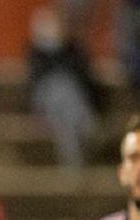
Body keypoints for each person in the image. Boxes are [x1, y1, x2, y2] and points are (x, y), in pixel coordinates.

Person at [28, 4, 103, 168]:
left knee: (68, 93)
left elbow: (86, 81)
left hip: (74, 102)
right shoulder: (37, 55)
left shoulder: (74, 50)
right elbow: (34, 86)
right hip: (49, 103)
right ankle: (83, 131)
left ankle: (75, 154)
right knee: (60, 88)